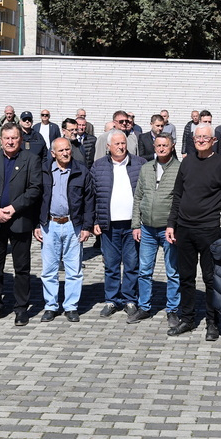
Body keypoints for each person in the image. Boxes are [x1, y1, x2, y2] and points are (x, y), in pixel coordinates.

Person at [165, 123, 221, 340]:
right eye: (198, 137)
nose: (201, 140)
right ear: (193, 140)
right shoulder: (186, 163)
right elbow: (177, 196)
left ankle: (212, 323)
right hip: (184, 230)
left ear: (213, 140)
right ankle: (187, 319)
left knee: (210, 279)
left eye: (206, 137)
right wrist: (171, 224)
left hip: (209, 231)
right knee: (186, 277)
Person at [0, 123, 43, 326]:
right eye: (7, 138)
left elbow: (35, 188)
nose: (10, 142)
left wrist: (14, 208)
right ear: (1, 140)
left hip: (19, 220)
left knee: (21, 268)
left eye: (14, 138)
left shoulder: (31, 159)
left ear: (20, 139)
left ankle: (21, 309)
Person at [35, 137, 95, 323]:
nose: (65, 153)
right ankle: (50, 306)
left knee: (74, 269)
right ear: (53, 153)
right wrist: (36, 224)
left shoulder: (81, 171)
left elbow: (89, 200)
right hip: (49, 225)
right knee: (49, 269)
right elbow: (36, 199)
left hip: (73, 225)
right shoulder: (43, 171)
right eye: (61, 150)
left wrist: (86, 227)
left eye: (67, 149)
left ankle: (71, 306)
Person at [90, 130, 146, 317]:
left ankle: (130, 299)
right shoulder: (98, 166)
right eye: (117, 144)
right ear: (108, 146)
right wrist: (95, 221)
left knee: (132, 264)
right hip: (108, 225)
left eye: (123, 143)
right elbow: (92, 196)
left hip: (133, 225)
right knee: (111, 265)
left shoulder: (139, 164)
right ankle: (112, 300)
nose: (121, 147)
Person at [130, 132, 182, 325]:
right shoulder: (146, 168)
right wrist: (136, 224)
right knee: (144, 270)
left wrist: (175, 225)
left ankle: (173, 309)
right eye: (158, 145)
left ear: (172, 146)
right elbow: (138, 197)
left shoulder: (179, 169)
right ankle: (144, 307)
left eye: (165, 145)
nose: (161, 148)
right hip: (147, 229)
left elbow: (181, 200)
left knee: (172, 271)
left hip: (169, 229)